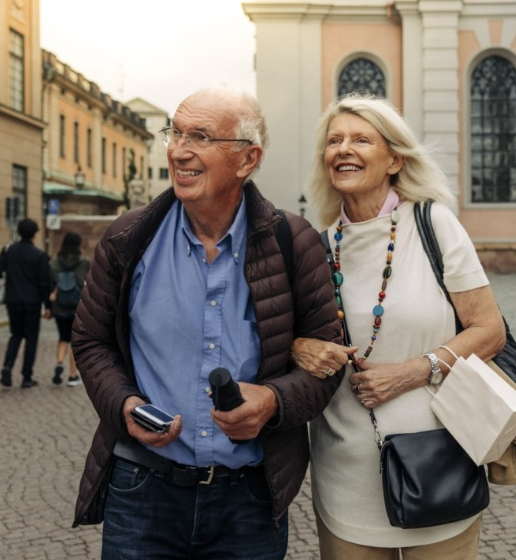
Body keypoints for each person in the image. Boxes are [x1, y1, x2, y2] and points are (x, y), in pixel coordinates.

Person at [70, 89, 342, 560]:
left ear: (247, 159)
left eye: (200, 136)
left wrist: (273, 402)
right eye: (175, 132)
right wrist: (125, 404)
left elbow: (328, 363)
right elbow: (91, 340)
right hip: (141, 491)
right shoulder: (127, 239)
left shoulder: (294, 242)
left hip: (249, 501)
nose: (178, 150)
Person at [291, 94, 506, 559]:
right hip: (346, 473)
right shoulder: (314, 247)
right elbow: (291, 336)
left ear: (393, 158)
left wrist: (411, 371)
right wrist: (299, 347)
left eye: (361, 139)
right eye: (334, 141)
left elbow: (489, 331)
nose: (343, 149)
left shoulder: (435, 225)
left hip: (441, 462)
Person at [0, 218, 52, 388]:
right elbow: (44, 283)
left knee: (16, 335)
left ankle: (7, 365)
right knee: (31, 339)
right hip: (33, 302)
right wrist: (48, 306)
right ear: (35, 234)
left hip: (13, 300)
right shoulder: (39, 255)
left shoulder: (8, 250)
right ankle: (27, 376)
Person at [48, 232, 90, 386]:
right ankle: (73, 376)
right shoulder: (84, 262)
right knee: (74, 341)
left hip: (59, 306)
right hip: (76, 307)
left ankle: (59, 363)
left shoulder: (54, 263)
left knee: (62, 338)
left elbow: (50, 284)